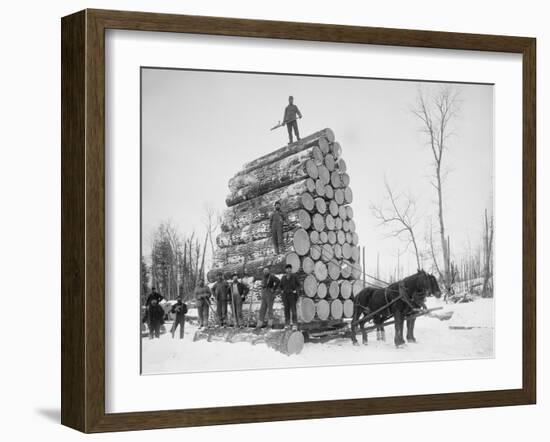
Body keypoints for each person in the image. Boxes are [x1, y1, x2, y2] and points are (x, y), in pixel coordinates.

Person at [279, 264, 300, 329]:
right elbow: (280, 286)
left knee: (293, 310)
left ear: (291, 269)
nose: (288, 269)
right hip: (285, 296)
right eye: (287, 268)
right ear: (285, 270)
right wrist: (281, 291)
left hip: (292, 295)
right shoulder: (283, 277)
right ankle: (287, 324)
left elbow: (299, 285)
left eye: (289, 268)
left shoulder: (294, 276)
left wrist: (296, 291)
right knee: (286, 310)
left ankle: (295, 324)